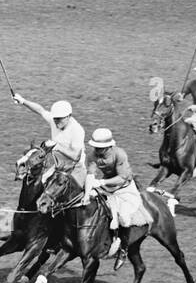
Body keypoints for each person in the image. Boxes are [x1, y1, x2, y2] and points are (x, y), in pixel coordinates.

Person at [84, 128, 150, 262]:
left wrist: (101, 181)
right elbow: (90, 175)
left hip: (124, 188)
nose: (96, 150)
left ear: (109, 146)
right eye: (95, 147)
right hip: (107, 187)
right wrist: (86, 193)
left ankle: (123, 250)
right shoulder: (92, 156)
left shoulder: (120, 154)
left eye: (100, 148)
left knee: (124, 218)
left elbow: (122, 178)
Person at [11, 94, 86, 187]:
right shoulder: (54, 120)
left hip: (74, 167)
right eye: (55, 119)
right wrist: (22, 101)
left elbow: (75, 156)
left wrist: (57, 146)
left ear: (68, 116)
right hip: (55, 162)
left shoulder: (77, 130)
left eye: (59, 119)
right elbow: (40, 110)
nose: (56, 121)